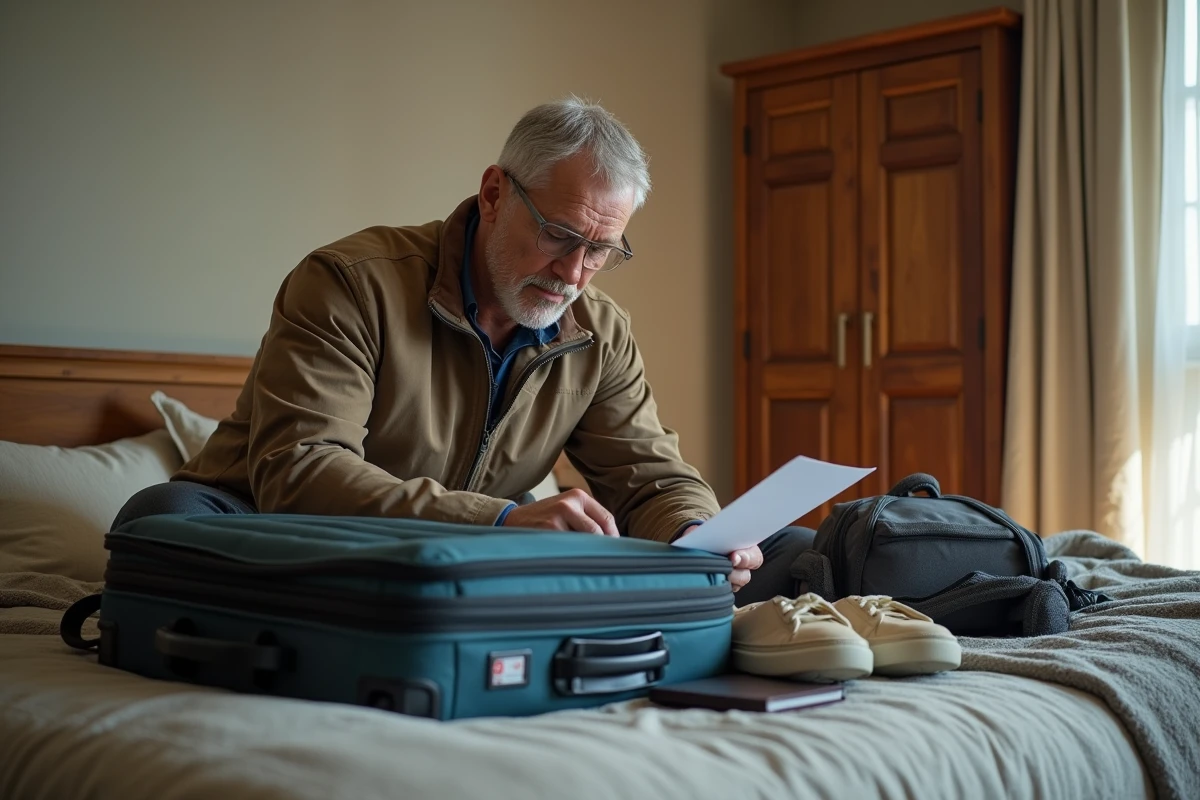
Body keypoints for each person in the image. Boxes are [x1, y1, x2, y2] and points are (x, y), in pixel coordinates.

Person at [112, 96, 814, 605]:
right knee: (159, 520)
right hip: (289, 536)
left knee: (798, 553)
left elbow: (652, 478)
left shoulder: (600, 332)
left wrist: (694, 529)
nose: (574, 274)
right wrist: (504, 520)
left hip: (465, 557)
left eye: (601, 250)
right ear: (493, 193)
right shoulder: (349, 283)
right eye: (561, 236)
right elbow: (301, 472)